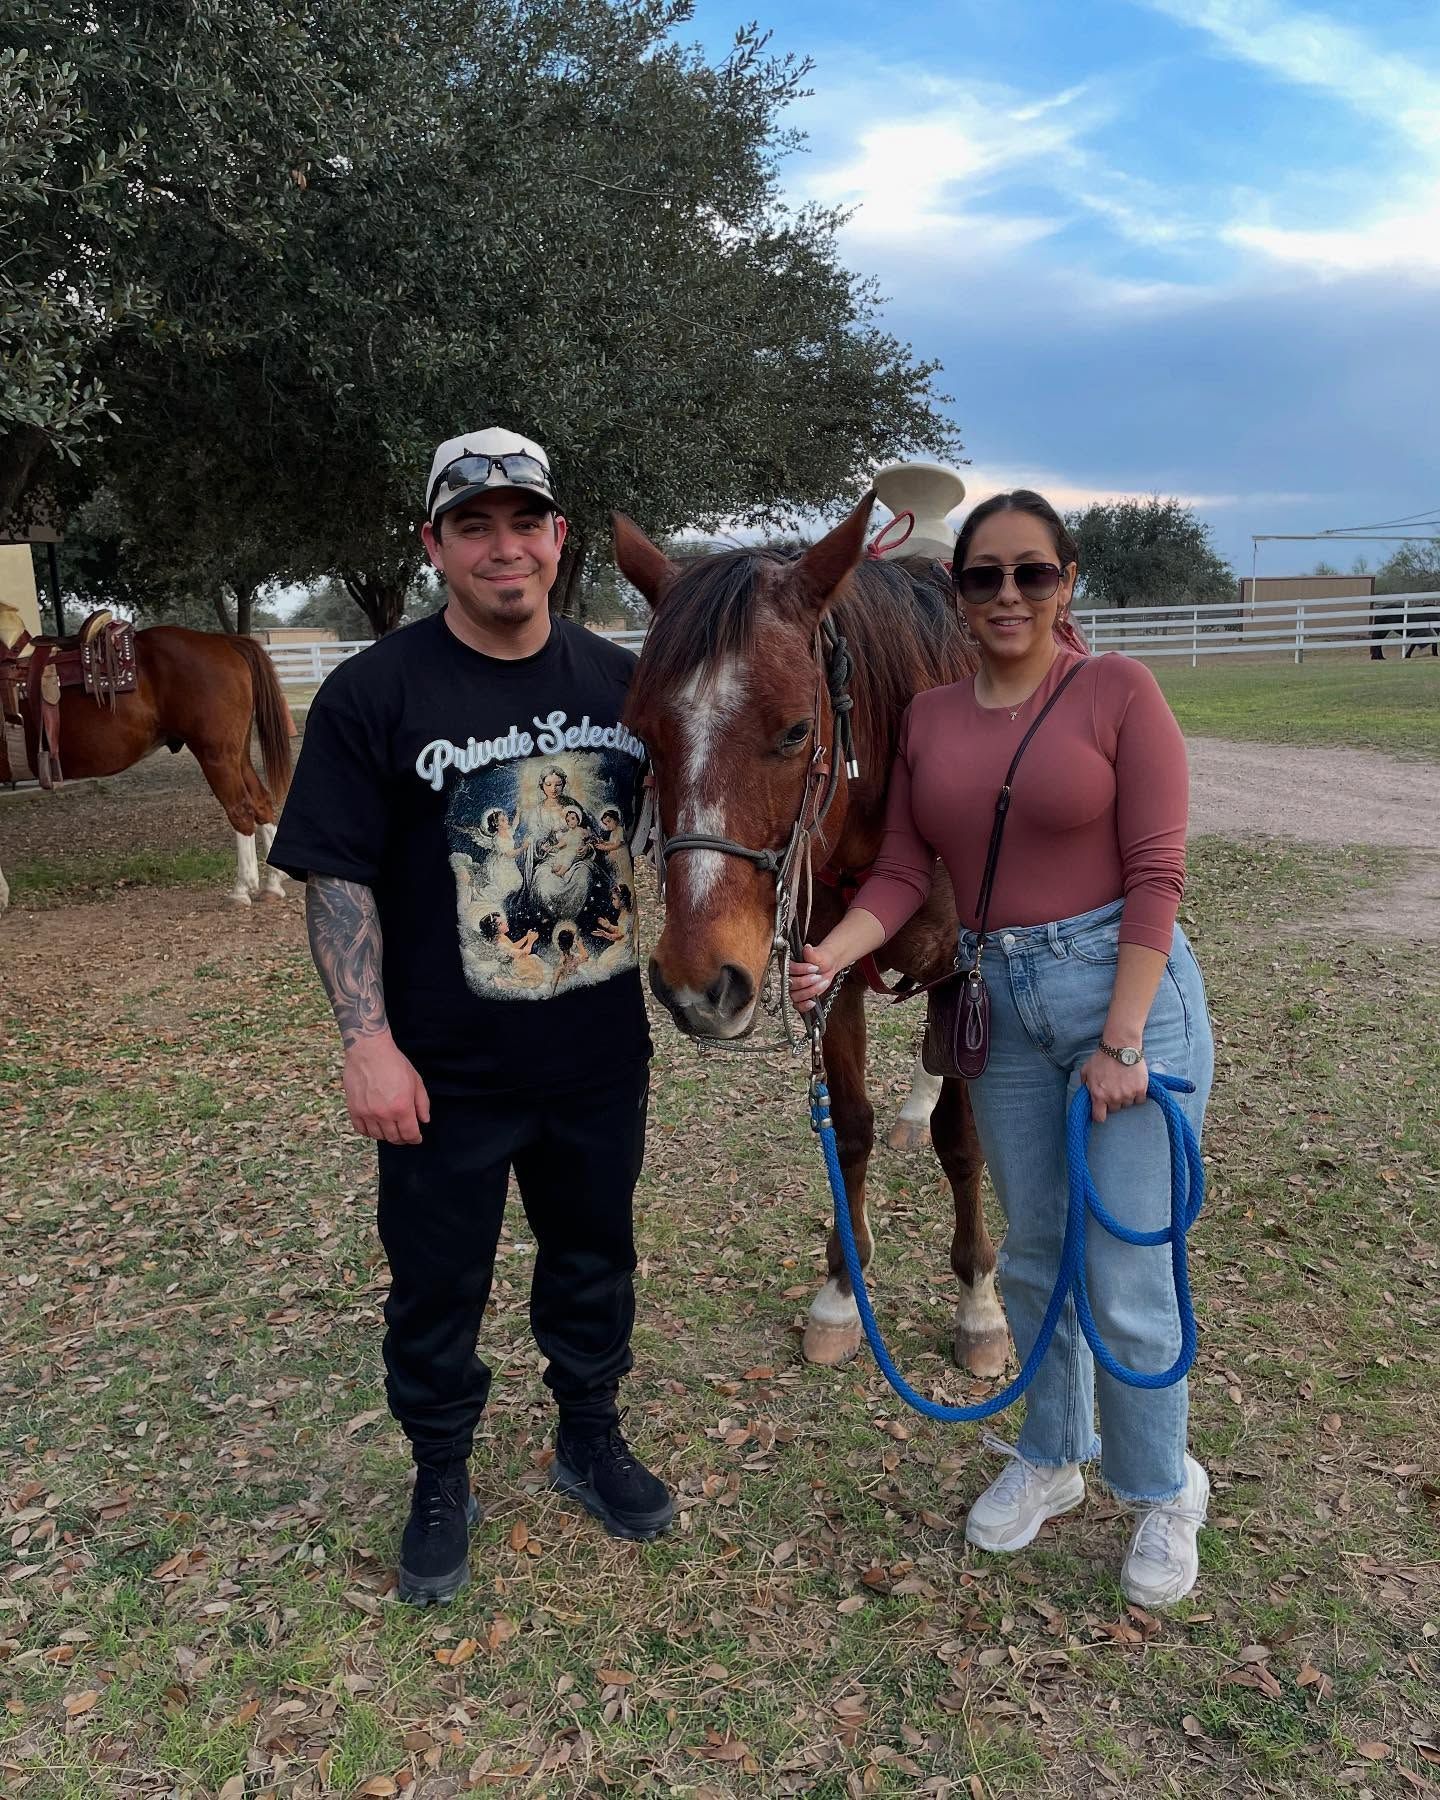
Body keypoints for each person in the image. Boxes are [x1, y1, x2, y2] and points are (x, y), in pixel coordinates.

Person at [269, 427, 673, 1607]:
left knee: (594, 1258)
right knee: (437, 1283)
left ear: (557, 539)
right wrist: (366, 1039)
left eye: (524, 522)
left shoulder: (620, 685)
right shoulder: (375, 693)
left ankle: (587, 1436)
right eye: (473, 525)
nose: (504, 548)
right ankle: (440, 1471)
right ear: (435, 545)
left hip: (598, 1054)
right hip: (445, 1072)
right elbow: (337, 875)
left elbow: (693, 823)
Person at [789, 489, 1214, 1608]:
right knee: (1032, 1256)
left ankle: (1165, 1488)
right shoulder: (932, 719)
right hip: (1001, 1000)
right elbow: (896, 873)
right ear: (957, 592)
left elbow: (1158, 874)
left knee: (1125, 1270)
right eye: (985, 577)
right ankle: (1052, 1454)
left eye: (1033, 573)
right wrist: (830, 954)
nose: (1009, 595)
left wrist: (1122, 1038)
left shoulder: (1117, 692)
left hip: (1122, 995)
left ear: (1068, 579)